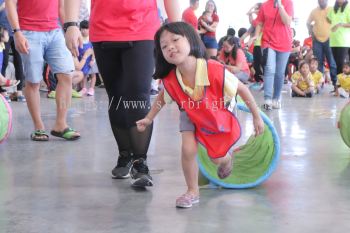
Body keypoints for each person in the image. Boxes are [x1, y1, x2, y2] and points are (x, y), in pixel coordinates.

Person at [136, 22, 264, 208]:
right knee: (188, 149)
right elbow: (164, 96)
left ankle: (227, 159)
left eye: (175, 40)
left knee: (216, 157)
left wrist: (256, 116)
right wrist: (148, 118)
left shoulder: (213, 69)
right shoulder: (172, 78)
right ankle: (192, 191)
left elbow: (243, 90)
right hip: (189, 111)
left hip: (216, 111)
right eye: (164, 46)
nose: (170, 46)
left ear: (191, 39)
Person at [64, 0, 181, 187]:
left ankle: (140, 162)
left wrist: (178, 27)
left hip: (142, 28)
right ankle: (125, 155)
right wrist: (71, 24)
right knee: (116, 97)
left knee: (138, 96)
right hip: (103, 30)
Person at [6, 0, 81, 141]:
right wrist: (17, 32)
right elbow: (10, 3)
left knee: (66, 76)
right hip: (28, 32)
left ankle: (61, 124)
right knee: (33, 82)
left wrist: (68, 30)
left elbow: (61, 6)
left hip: (55, 31)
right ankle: (38, 126)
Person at [250, 0, 294, 110]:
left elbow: (287, 21)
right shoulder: (265, 5)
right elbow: (259, 23)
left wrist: (280, 6)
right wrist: (255, 35)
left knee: (279, 73)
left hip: (284, 42)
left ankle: (276, 99)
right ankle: (268, 99)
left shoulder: (288, 2)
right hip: (268, 42)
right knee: (269, 69)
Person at [307, 0, 338, 90]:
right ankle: (319, 84)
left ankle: (335, 84)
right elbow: (308, 23)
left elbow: (337, 22)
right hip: (317, 41)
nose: (322, 2)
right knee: (318, 63)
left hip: (329, 40)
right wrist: (311, 32)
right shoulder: (314, 11)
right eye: (320, 1)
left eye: (324, 0)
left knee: (331, 62)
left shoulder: (332, 9)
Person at [0, 0, 25, 102]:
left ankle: (19, 92)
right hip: (3, 33)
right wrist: (2, 6)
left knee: (19, 61)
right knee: (3, 61)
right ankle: (2, 91)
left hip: (17, 32)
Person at [327, 0, 350, 77]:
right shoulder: (332, 9)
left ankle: (341, 87)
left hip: (343, 42)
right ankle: (336, 87)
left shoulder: (348, 7)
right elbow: (328, 19)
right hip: (333, 41)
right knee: (334, 65)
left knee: (341, 65)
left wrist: (340, 24)